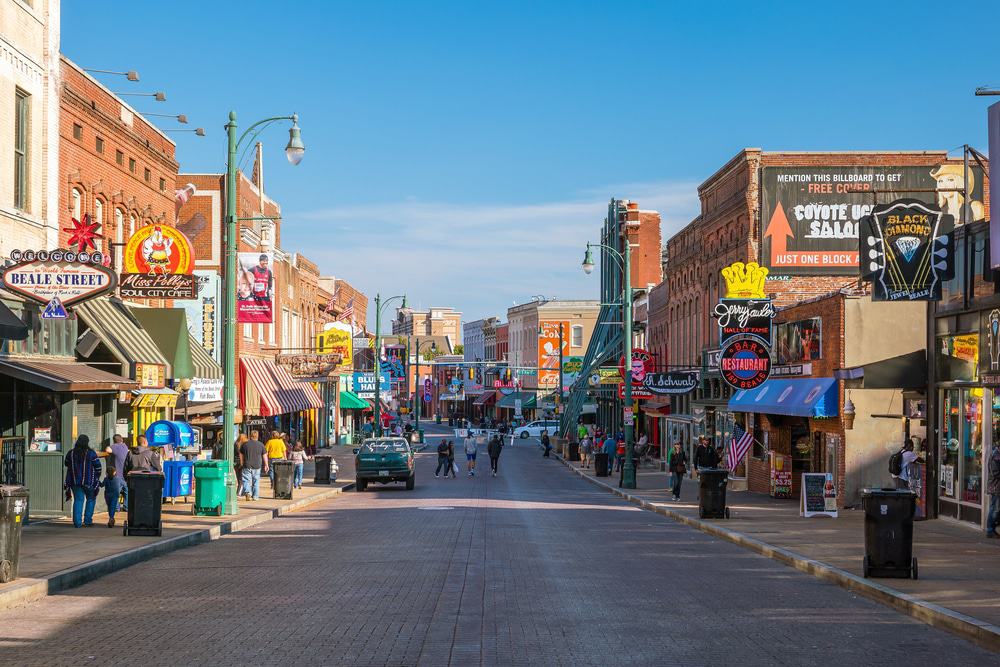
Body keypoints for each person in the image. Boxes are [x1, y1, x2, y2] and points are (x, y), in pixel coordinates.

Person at [64, 435, 100, 528]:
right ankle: (87, 521)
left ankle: (77, 522)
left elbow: (66, 463)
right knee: (91, 499)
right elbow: (98, 467)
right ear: (87, 442)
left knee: (78, 500)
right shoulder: (91, 453)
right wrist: (97, 477)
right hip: (89, 481)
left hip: (75, 481)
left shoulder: (71, 453)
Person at [101, 434, 130, 528]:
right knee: (126, 491)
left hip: (117, 475)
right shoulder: (125, 446)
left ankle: (117, 508)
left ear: (114, 441)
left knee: (115, 494)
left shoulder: (115, 446)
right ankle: (126, 506)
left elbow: (108, 450)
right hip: (124, 474)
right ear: (121, 439)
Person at [239, 430, 268, 501]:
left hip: (247, 464)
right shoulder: (261, 444)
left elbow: (241, 455)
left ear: (250, 436)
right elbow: (265, 455)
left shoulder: (245, 444)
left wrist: (242, 463)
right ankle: (255, 496)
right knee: (256, 480)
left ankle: (248, 492)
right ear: (257, 436)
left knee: (246, 479)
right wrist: (266, 465)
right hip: (257, 465)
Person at [987, 439, 1000, 538]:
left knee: (996, 509)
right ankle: (990, 529)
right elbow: (995, 472)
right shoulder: (995, 456)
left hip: (996, 487)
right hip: (996, 487)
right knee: (995, 509)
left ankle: (992, 528)